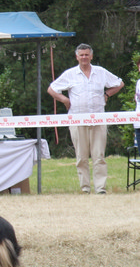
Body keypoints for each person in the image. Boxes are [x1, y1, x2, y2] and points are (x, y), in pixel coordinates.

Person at [48, 43, 123, 194]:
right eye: (81, 55)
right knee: (81, 157)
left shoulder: (100, 72)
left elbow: (120, 83)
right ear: (77, 57)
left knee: (99, 156)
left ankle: (100, 188)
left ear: (91, 56)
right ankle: (85, 188)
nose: (84, 57)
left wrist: (107, 94)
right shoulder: (70, 74)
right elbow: (52, 89)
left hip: (98, 119)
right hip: (77, 120)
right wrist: (64, 100)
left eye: (86, 55)